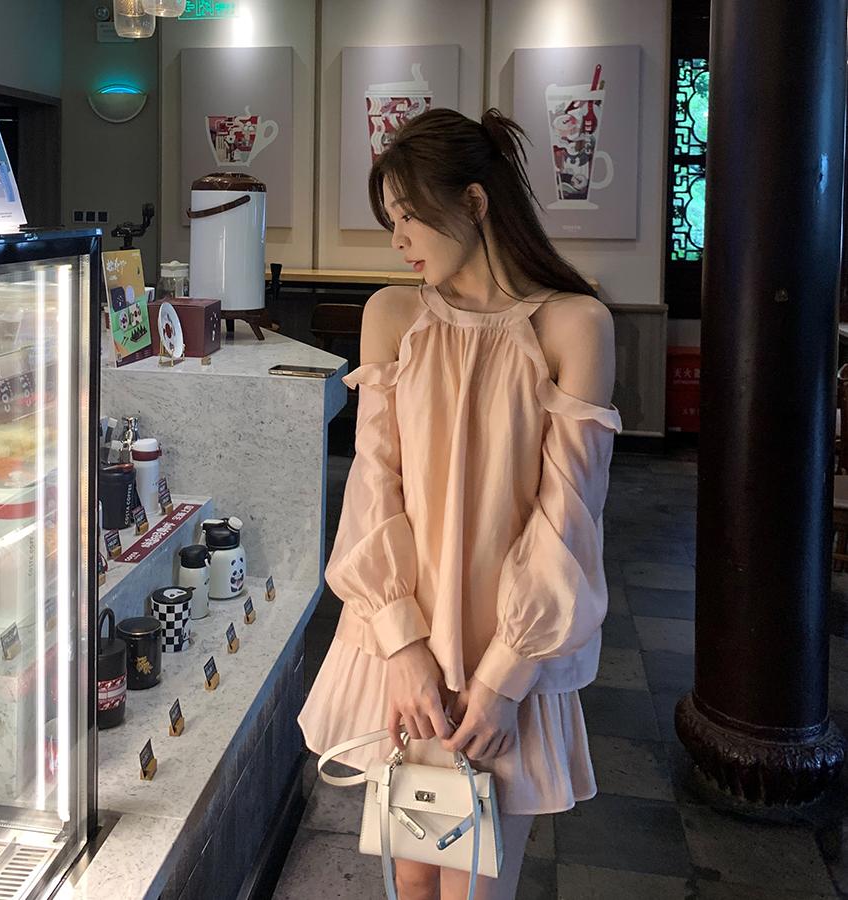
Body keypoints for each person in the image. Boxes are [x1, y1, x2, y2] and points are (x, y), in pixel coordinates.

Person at [298, 107, 622, 899]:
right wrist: (403, 644)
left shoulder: (574, 325)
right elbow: (373, 486)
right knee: (410, 880)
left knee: (475, 886)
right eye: (391, 221)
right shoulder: (392, 315)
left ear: (474, 203)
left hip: (506, 652)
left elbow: (568, 518)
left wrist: (504, 676)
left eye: (409, 216)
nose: (398, 239)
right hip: (401, 643)